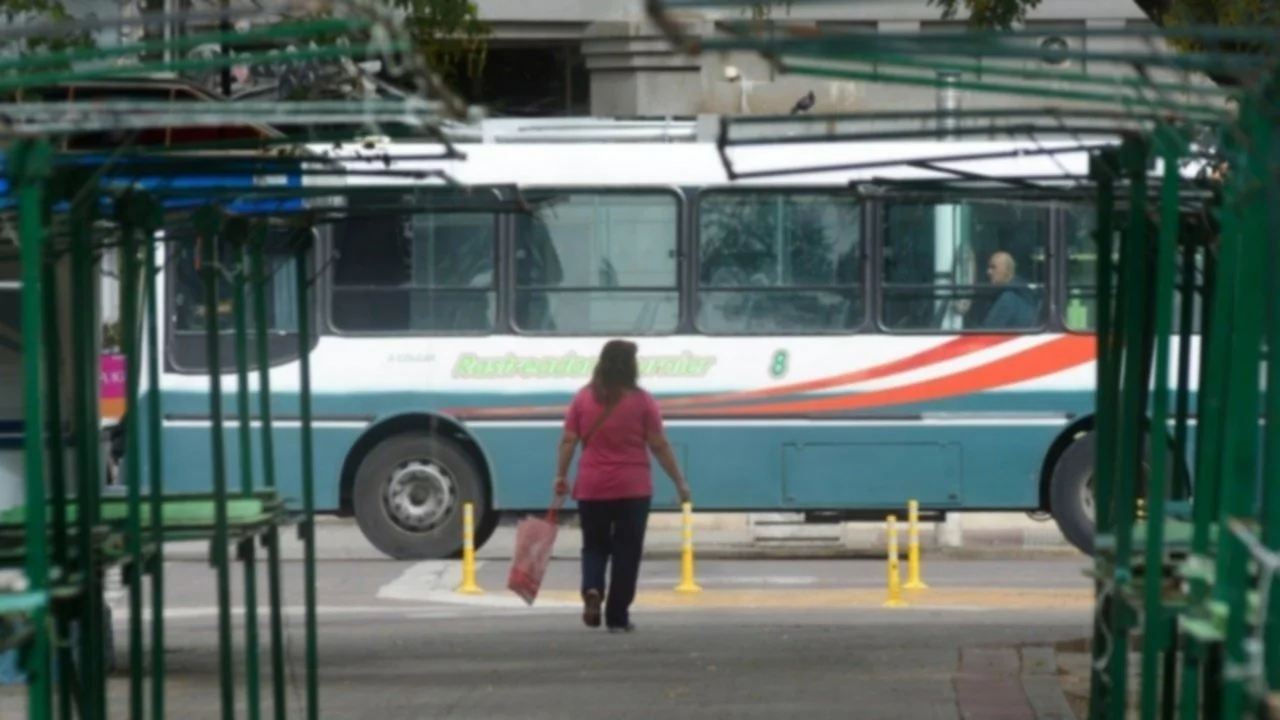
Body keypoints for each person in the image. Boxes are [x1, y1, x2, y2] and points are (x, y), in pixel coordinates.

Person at [554, 339, 692, 633]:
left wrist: (560, 476)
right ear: (631, 366)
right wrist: (679, 482)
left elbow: (568, 441)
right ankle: (617, 617)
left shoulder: (582, 398)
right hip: (633, 489)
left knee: (594, 546)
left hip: (592, 487)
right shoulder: (642, 401)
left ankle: (592, 588)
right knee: (627, 552)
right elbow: (659, 445)